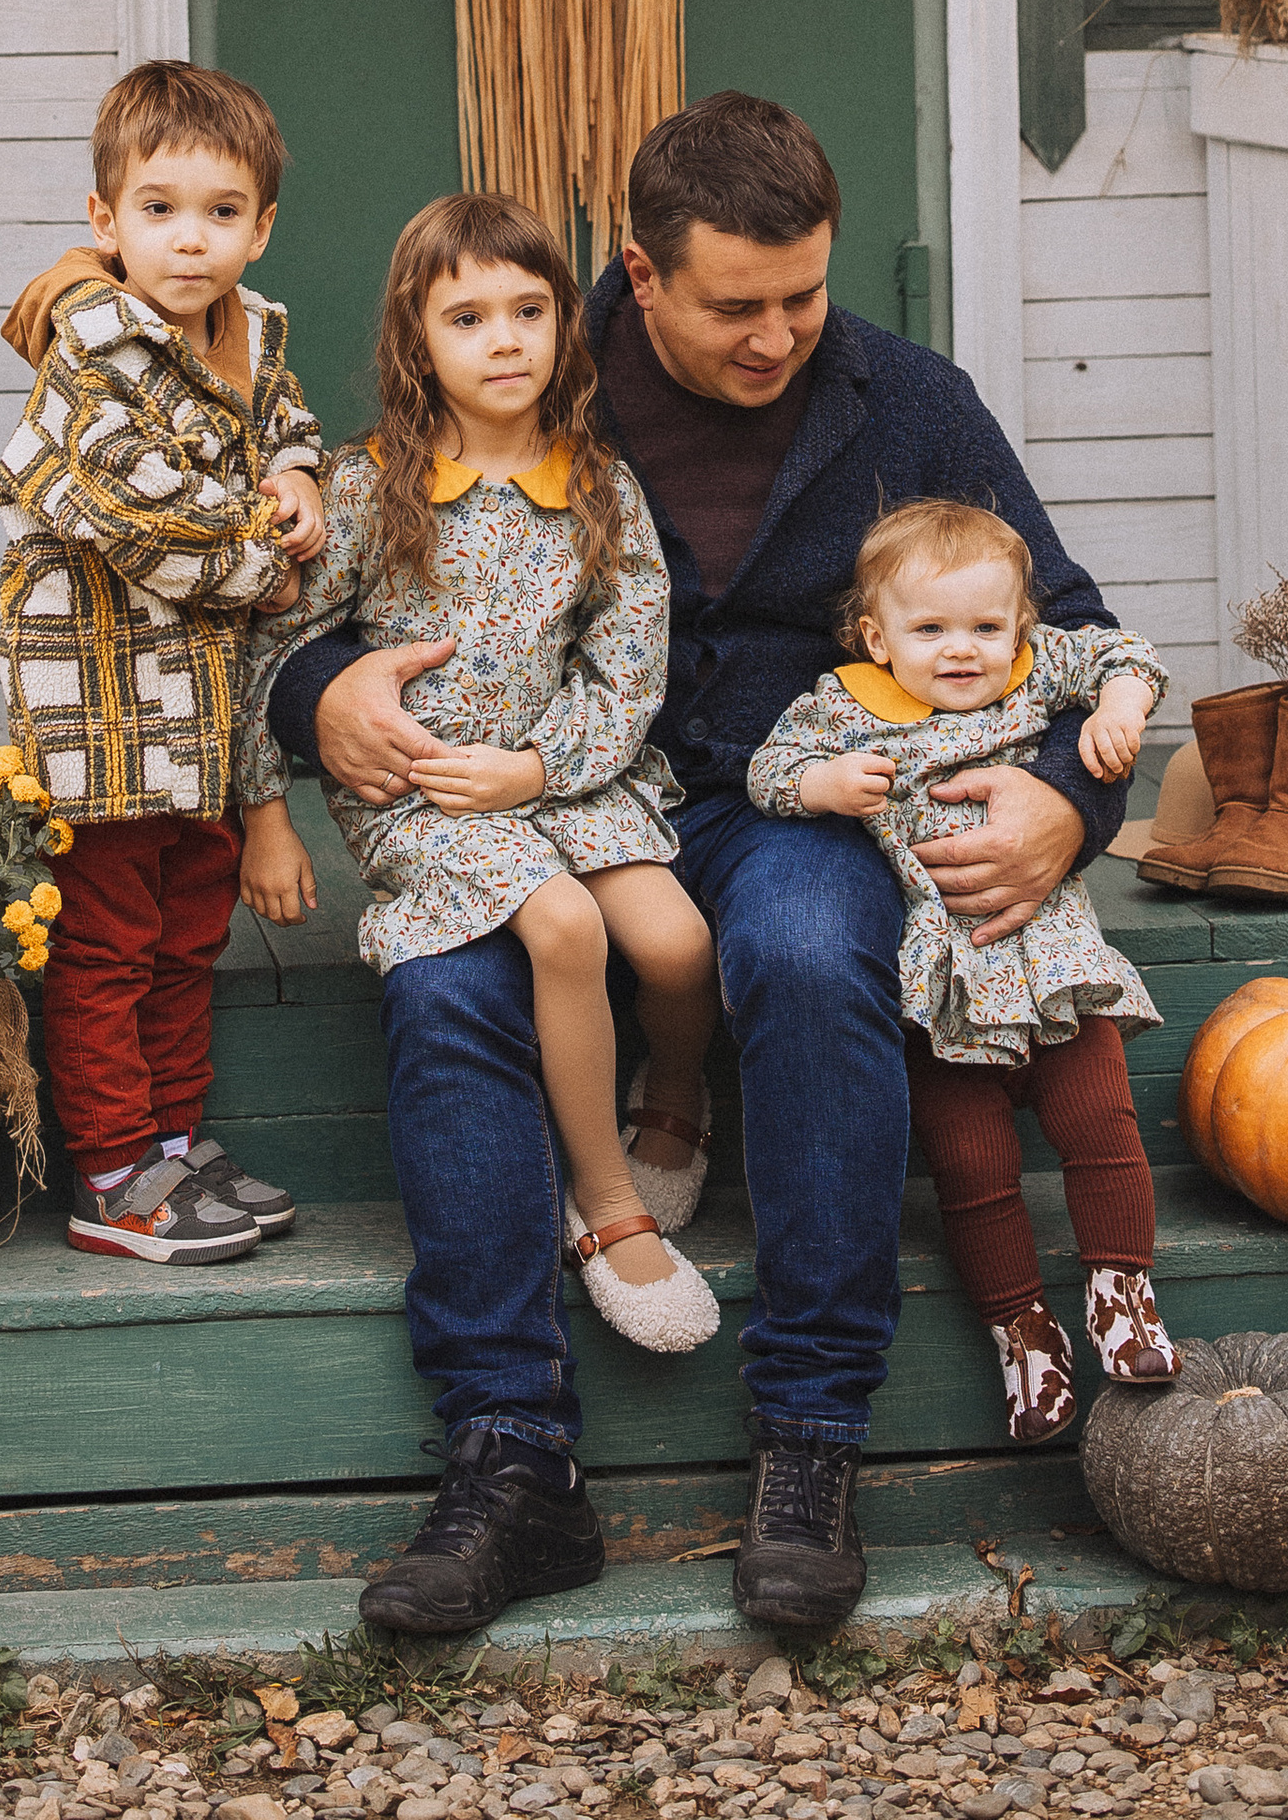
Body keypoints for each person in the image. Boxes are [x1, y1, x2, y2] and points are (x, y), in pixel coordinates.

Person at [263, 90, 1134, 1637]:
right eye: (737, 305)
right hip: (544, 798)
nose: (778, 335)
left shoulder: (906, 397)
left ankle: (810, 1436)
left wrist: (1070, 797)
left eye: (804, 294)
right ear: (640, 272)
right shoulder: (534, 355)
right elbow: (359, 563)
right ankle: (511, 1458)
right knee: (453, 986)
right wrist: (308, 691)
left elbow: (1062, 615)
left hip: (800, 806)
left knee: (809, 961)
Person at [237, 193, 723, 1358]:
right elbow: (277, 650)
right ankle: (607, 1211)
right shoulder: (367, 485)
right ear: (417, 341)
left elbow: (628, 666)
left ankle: (677, 1095)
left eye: (528, 310)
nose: (504, 338)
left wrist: (544, 766)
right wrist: (267, 816)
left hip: (566, 772)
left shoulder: (599, 487)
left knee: (676, 945)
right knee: (562, 926)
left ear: (565, 323)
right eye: (467, 317)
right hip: (430, 788)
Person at [749, 497, 1180, 1444]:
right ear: (878, 636)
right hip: (945, 984)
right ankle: (1021, 1329)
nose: (962, 650)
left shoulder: (1035, 676)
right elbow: (768, 770)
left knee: (1098, 1122)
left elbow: (1127, 652)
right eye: (930, 628)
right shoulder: (846, 704)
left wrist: (1119, 705)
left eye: (987, 626)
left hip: (1054, 960)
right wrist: (822, 784)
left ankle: (1123, 1292)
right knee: (972, 1165)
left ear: (1019, 626)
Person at [0, 59, 326, 1267]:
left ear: (261, 225)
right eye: (159, 209)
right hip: (101, 699)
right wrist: (271, 568)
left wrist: (293, 475)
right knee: (107, 943)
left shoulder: (251, 333)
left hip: (199, 706)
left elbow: (284, 419)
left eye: (222, 213)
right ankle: (114, 1169)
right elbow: (144, 521)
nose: (191, 241)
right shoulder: (94, 351)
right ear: (105, 221)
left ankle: (176, 1141)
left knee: (189, 934)